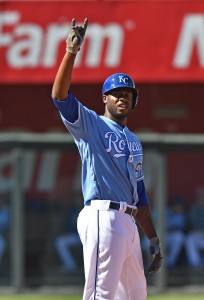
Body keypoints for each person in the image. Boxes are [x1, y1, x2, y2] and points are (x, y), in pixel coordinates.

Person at [51, 18, 162, 300]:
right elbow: (60, 96)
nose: (121, 98)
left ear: (133, 101)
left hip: (129, 222)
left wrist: (152, 237)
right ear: (105, 99)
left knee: (135, 296)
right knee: (102, 295)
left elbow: (140, 194)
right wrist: (70, 53)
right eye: (115, 94)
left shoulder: (134, 140)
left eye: (126, 95)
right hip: (103, 215)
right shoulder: (91, 124)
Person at [55, 193, 82, 273]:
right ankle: (70, 265)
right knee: (60, 242)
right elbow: (67, 225)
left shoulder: (87, 209)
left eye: (80, 199)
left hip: (87, 236)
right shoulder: (73, 210)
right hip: (75, 236)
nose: (78, 201)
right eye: (77, 199)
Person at [185, 189, 204, 268]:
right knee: (189, 239)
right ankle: (196, 265)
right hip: (197, 234)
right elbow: (190, 223)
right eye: (200, 198)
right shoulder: (194, 209)